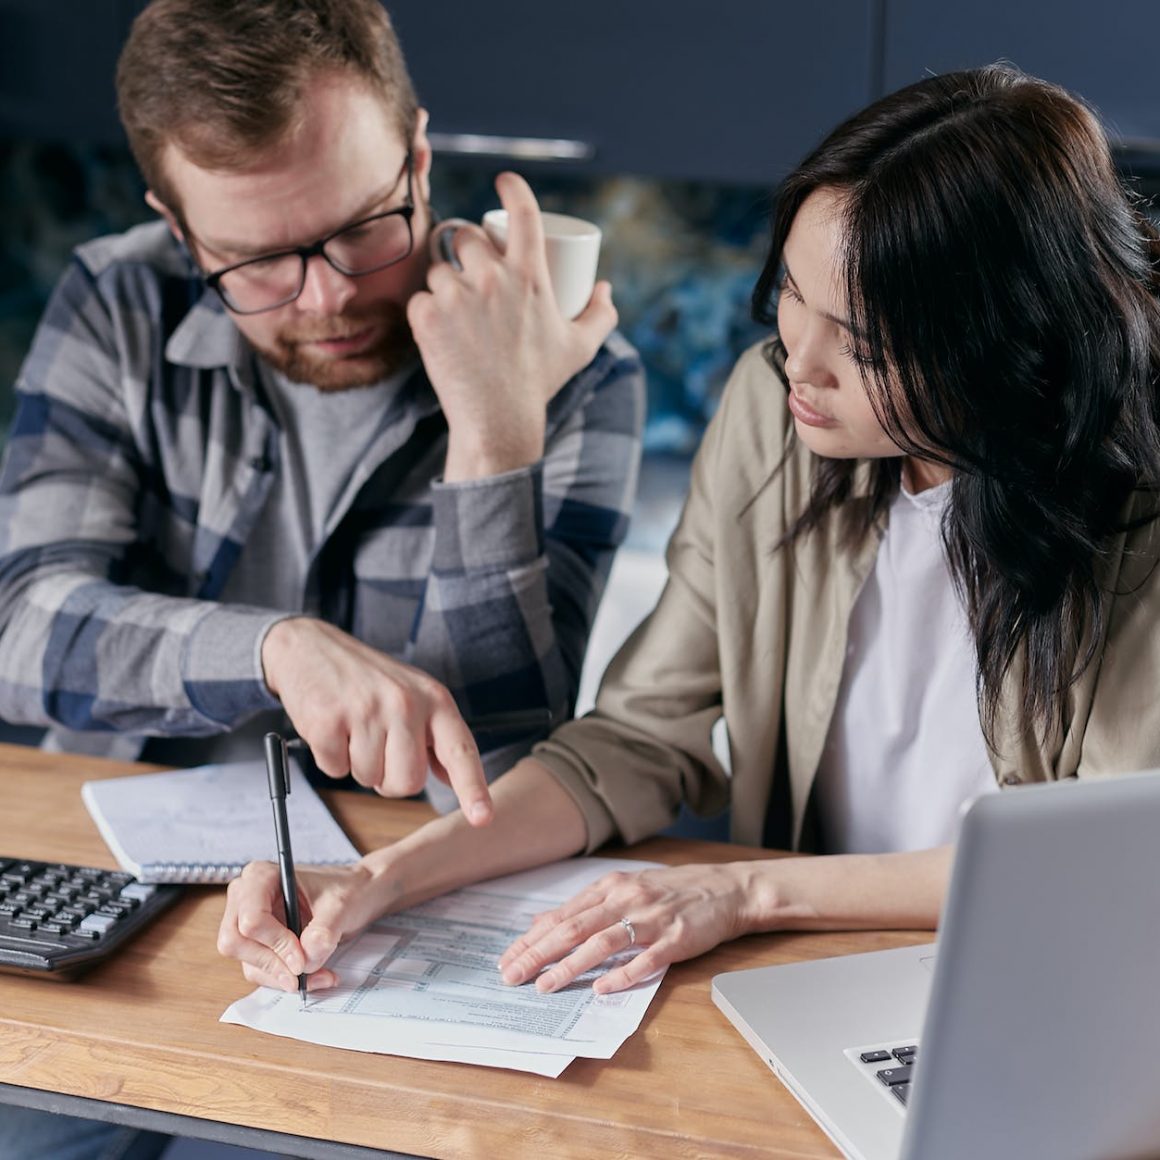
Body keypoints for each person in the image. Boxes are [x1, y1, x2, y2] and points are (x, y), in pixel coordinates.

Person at [219, 62, 1160, 1005]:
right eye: (793, 293)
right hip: (811, 976)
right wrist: (379, 880)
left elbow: (1103, 859)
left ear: (1012, 344)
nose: (801, 359)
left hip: (1044, 986)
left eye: (864, 343)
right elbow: (634, 739)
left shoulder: (1138, 513)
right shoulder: (773, 414)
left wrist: (744, 890)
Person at [0, 0, 644, 824]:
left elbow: (503, 772)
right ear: (181, 232)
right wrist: (274, 652)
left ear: (417, 159)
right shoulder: (119, 300)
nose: (329, 295)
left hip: (407, 872)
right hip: (115, 835)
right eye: (258, 261)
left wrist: (492, 440)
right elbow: (22, 630)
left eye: (362, 226)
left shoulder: (574, 366)